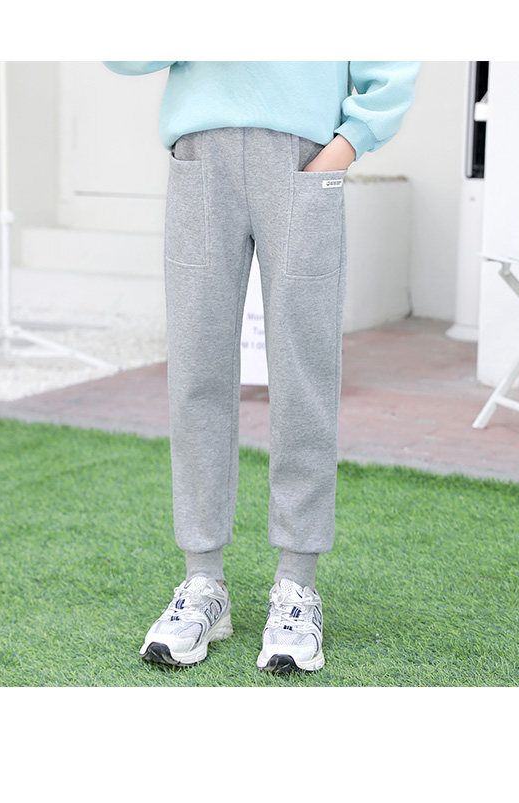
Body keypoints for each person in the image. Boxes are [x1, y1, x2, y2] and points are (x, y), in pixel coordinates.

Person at [103, 61, 420, 673]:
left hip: (304, 159)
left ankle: (297, 584)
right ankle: (203, 581)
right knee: (195, 373)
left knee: (304, 375)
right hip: (201, 157)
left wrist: (345, 146)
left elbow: (392, 64)